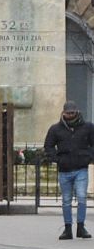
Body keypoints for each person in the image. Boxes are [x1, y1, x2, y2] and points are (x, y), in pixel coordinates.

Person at [43, 101, 94, 240]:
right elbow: (48, 146)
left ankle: (81, 226)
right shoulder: (55, 129)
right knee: (66, 200)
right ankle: (67, 228)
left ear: (77, 112)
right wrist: (57, 159)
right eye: (68, 113)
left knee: (82, 197)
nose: (70, 115)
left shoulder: (88, 127)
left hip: (81, 168)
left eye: (72, 112)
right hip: (64, 169)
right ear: (63, 113)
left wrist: (88, 157)